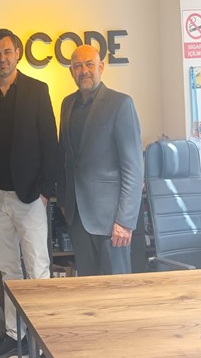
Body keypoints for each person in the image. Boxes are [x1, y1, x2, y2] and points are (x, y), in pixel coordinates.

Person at [0, 29, 58, 358]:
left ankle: (44, 336)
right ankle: (14, 334)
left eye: (7, 52)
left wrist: (46, 191)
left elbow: (49, 141)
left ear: (18, 53)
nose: (2, 58)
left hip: (29, 196)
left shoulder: (37, 89)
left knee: (37, 266)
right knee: (8, 268)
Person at [57, 44, 143, 276]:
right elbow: (65, 158)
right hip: (77, 218)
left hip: (111, 221)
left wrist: (125, 221)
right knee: (88, 287)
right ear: (71, 71)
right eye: (77, 66)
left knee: (117, 289)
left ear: (101, 67)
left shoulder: (121, 104)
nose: (83, 70)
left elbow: (133, 168)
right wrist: (64, 202)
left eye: (89, 64)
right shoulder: (67, 104)